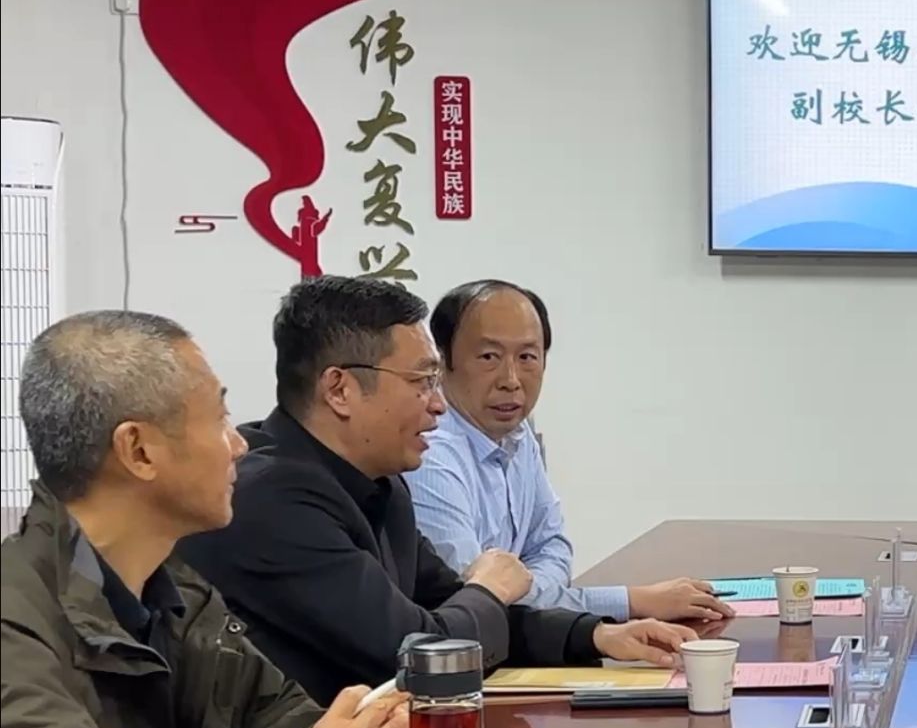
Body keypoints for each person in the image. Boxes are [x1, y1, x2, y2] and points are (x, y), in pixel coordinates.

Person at [2, 312, 409, 728]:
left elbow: (274, 718)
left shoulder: (178, 591)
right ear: (138, 451)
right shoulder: (15, 613)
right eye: (218, 418)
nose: (239, 445)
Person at [179, 277, 696, 705]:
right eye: (422, 382)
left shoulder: (380, 480)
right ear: (339, 390)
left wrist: (595, 634)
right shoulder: (274, 498)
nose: (438, 405)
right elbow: (416, 654)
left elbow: (448, 605)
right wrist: (488, 589)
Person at [407, 280, 732, 624]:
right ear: (442, 362)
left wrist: (527, 592)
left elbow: (552, 547)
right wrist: (632, 601)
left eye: (527, 357)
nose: (511, 380)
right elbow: (477, 595)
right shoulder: (429, 454)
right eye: (489, 357)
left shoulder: (517, 432)